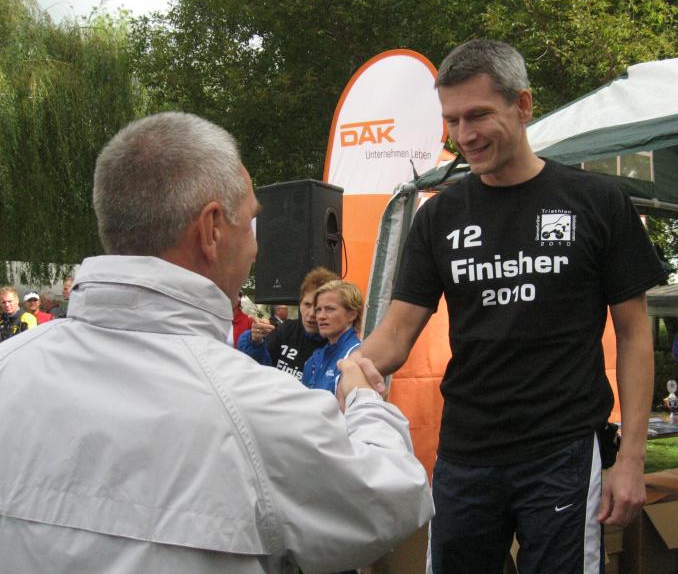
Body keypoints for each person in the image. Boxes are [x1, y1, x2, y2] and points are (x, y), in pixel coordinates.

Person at [0, 111, 433, 573]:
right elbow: (395, 499)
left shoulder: (9, 366)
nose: (256, 248)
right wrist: (366, 402)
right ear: (211, 230)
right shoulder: (254, 409)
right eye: (251, 223)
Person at [344, 40, 666, 573]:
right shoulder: (438, 216)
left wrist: (631, 458)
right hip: (465, 452)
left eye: (478, 115)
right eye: (451, 120)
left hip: (562, 450)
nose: (464, 135)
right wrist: (352, 366)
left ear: (523, 104)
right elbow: (396, 334)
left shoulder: (597, 201)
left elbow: (634, 335)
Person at [237, 267, 337, 379]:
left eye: (319, 307)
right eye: (307, 305)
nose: (311, 313)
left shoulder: (336, 345)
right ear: (300, 303)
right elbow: (259, 371)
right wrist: (255, 341)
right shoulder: (286, 330)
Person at [302, 280, 363, 394]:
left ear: (352, 315)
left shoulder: (356, 357)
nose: (321, 316)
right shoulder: (314, 358)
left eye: (330, 309)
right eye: (318, 310)